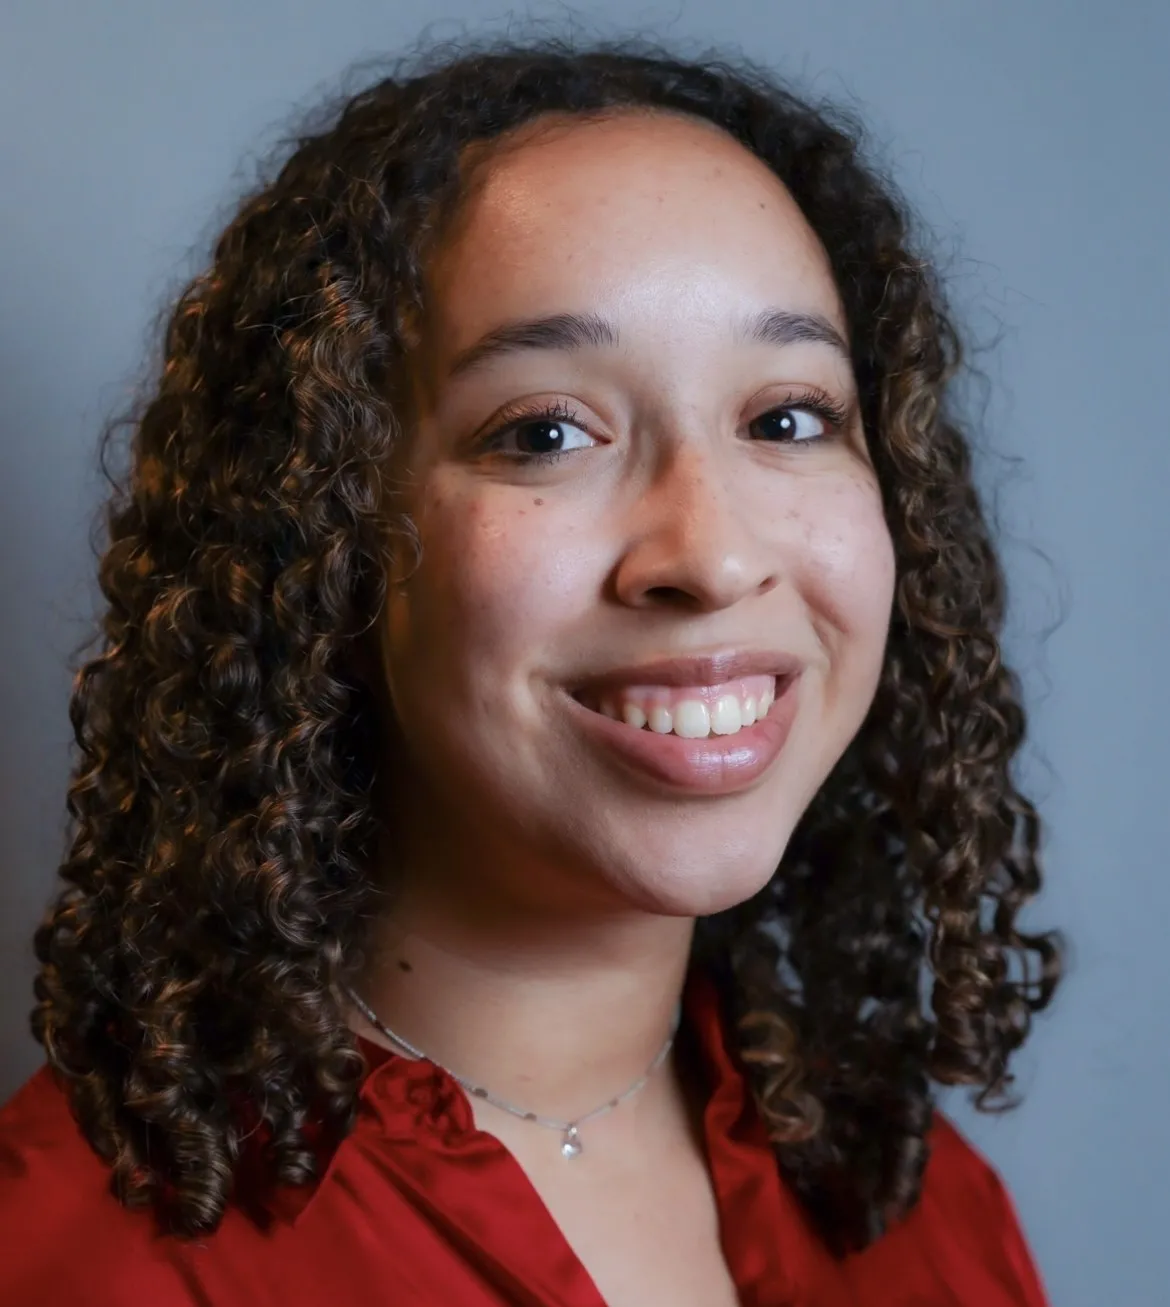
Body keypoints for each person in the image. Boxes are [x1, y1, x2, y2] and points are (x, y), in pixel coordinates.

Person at [0, 39, 1060, 1306]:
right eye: (546, 431)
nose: (710, 554)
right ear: (327, 535)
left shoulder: (924, 1218)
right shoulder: (76, 1261)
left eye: (787, 417)